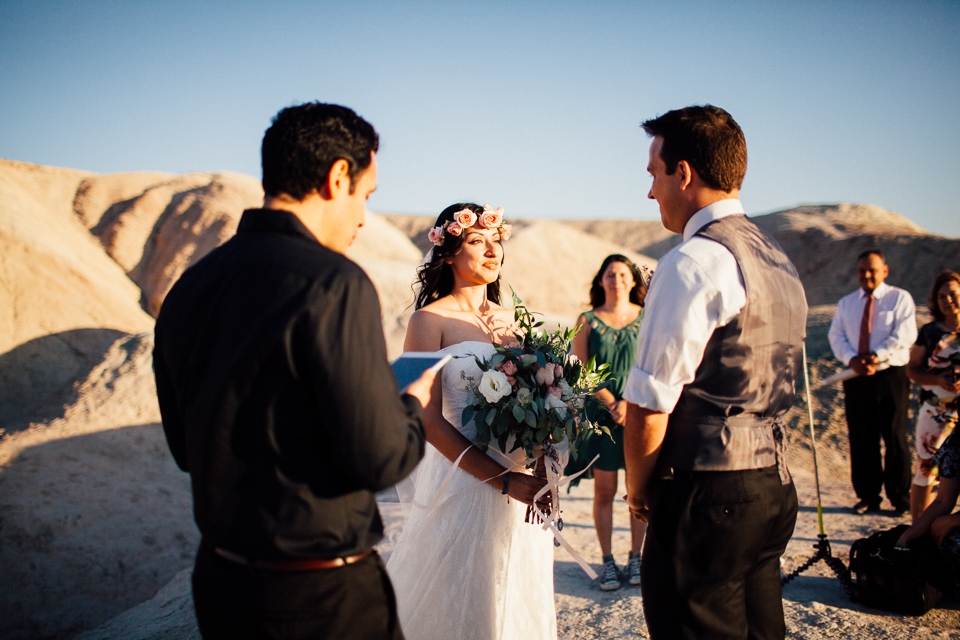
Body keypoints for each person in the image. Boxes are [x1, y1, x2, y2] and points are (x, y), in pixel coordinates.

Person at [153, 103, 434, 640]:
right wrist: (413, 403)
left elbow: (185, 449)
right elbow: (381, 461)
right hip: (320, 599)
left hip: (219, 584)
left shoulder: (190, 287)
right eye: (366, 197)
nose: (362, 219)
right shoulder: (335, 284)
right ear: (337, 178)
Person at [622, 105, 807, 639]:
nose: (651, 193)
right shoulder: (775, 256)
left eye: (654, 175)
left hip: (707, 493)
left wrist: (639, 492)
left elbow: (651, 404)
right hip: (772, 485)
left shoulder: (693, 262)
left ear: (684, 173)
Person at [385, 203, 557, 640]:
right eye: (477, 241)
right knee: (464, 597)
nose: (491, 250)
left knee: (515, 588)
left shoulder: (515, 320)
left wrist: (540, 466)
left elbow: (540, 398)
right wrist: (501, 479)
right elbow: (420, 414)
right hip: (461, 479)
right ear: (447, 254)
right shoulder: (426, 321)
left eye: (495, 240)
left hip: (524, 486)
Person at [565, 254, 648, 591]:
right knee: (605, 490)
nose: (617, 280)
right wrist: (611, 401)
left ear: (633, 280)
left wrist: (630, 401)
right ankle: (608, 560)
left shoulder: (648, 317)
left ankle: (636, 557)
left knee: (637, 491)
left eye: (623, 274)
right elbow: (579, 369)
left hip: (641, 411)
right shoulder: (587, 320)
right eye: (610, 275)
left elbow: (656, 362)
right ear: (601, 281)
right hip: (600, 416)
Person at [828, 250, 917, 515]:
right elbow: (836, 336)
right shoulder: (846, 303)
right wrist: (852, 358)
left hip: (890, 375)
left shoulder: (899, 298)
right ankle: (868, 495)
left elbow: (905, 333)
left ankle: (900, 497)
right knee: (861, 437)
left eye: (873, 270)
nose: (867, 275)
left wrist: (876, 356)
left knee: (894, 435)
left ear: (884, 271)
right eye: (861, 271)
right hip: (856, 376)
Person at [905, 271, 960, 521]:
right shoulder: (929, 332)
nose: (948, 300)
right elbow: (912, 370)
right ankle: (917, 528)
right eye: (942, 296)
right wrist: (938, 379)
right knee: (926, 468)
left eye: (953, 294)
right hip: (935, 411)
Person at [897, 430, 960, 585]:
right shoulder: (956, 443)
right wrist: (905, 539)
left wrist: (953, 520)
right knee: (944, 538)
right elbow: (943, 501)